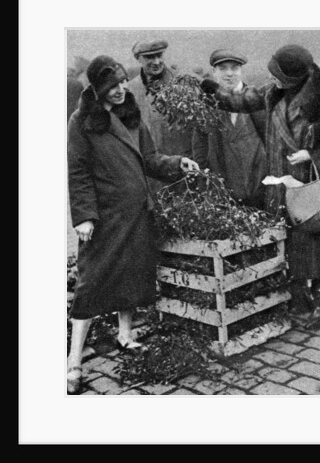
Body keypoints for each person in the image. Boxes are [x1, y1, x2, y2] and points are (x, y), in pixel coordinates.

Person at [67, 55, 199, 394]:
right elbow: (78, 172)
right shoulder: (81, 121)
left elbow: (151, 160)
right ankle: (74, 361)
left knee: (131, 274)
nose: (121, 90)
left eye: (124, 83)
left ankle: (125, 335)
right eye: (112, 86)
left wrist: (176, 163)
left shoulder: (132, 117)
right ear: (97, 89)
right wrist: (83, 216)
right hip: (104, 218)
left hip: (138, 213)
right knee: (90, 282)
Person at [201, 44, 320, 329]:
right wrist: (211, 90)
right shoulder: (271, 93)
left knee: (316, 248)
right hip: (278, 187)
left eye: (279, 75)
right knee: (290, 249)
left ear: (294, 78)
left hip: (307, 188)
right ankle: (300, 305)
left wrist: (312, 155)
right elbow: (239, 100)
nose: (273, 79)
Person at [192, 49, 267, 209]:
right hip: (222, 195)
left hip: (258, 191)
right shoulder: (205, 105)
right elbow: (200, 150)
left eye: (234, 68)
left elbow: (270, 144)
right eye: (223, 68)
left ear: (241, 70)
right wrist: (203, 189)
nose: (229, 74)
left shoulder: (256, 100)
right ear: (214, 71)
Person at [127, 39, 193, 196]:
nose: (156, 61)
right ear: (138, 58)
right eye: (150, 57)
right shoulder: (130, 90)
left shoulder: (182, 83)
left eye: (159, 55)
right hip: (149, 174)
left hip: (183, 170)